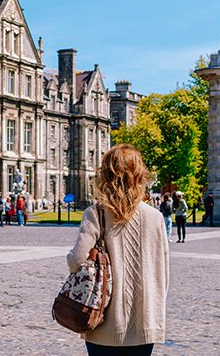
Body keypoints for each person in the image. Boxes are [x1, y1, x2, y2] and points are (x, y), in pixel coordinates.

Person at [67, 144, 167, 355]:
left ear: (106, 175)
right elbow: (162, 273)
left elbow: (77, 260)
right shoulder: (155, 217)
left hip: (103, 322)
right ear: (139, 175)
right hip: (144, 320)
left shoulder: (96, 214)